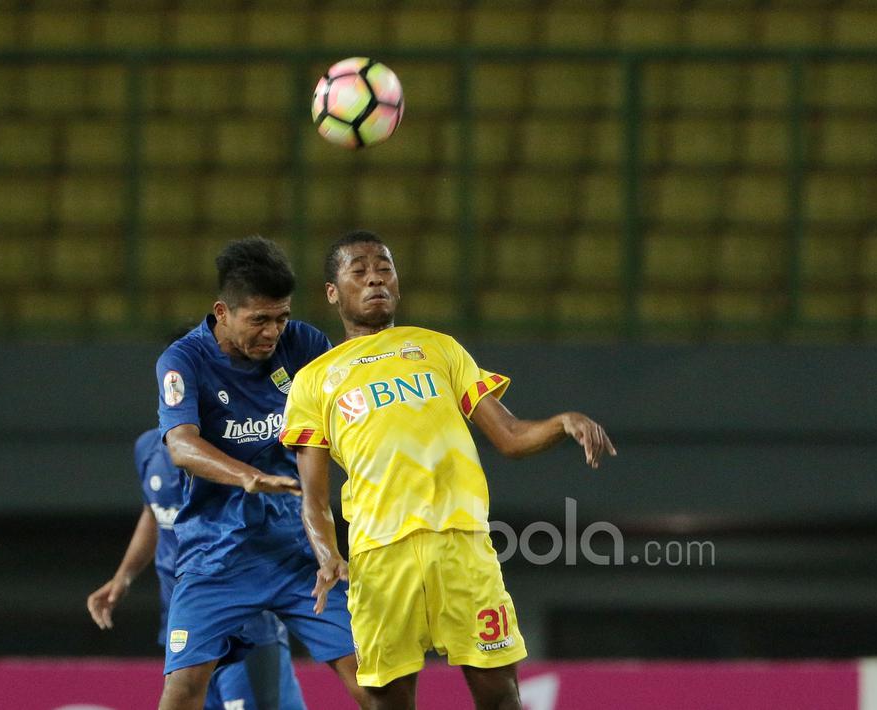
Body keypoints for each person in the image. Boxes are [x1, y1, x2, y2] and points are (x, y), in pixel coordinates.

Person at [280, 230, 616, 710]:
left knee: (501, 697)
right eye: (359, 271)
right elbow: (312, 495)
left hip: (462, 545)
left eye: (384, 268)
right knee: (385, 703)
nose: (375, 277)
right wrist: (326, 552)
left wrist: (562, 422)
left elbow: (511, 436)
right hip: (380, 556)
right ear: (334, 293)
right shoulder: (314, 381)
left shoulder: (439, 348)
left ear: (397, 284)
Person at [153, 237, 367, 709]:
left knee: (374, 681)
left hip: (299, 552)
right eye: (259, 320)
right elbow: (183, 446)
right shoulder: (183, 361)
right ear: (222, 312)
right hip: (216, 554)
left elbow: (349, 421)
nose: (273, 332)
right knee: (184, 689)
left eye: (281, 317)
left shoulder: (305, 344)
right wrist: (248, 476)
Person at [87, 426, 307, 710]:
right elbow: (153, 513)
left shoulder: (236, 448)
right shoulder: (147, 447)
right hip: (184, 624)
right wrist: (123, 577)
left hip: (244, 624)